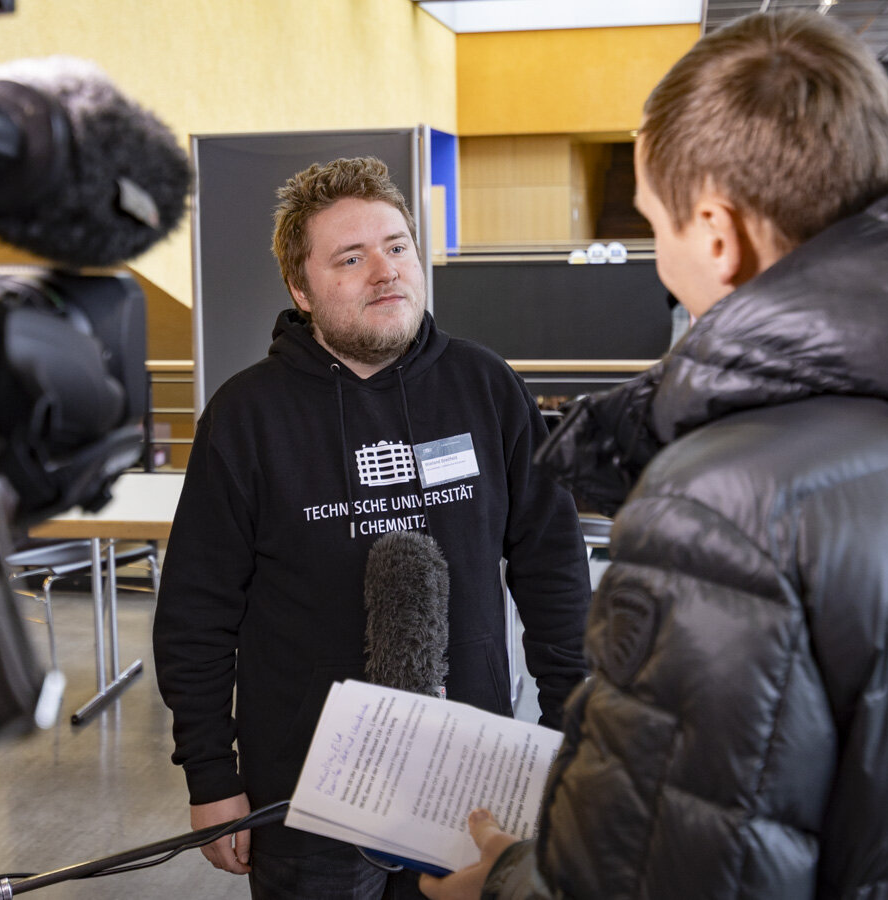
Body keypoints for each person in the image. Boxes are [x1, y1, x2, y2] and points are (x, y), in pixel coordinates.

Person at [423, 10, 888, 900]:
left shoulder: (727, 507)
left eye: (656, 224)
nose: (659, 260)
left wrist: (505, 882)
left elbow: (670, 876)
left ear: (716, 233)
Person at [153, 157, 591, 899]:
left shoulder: (487, 387)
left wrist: (569, 735)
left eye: (396, 247)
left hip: (467, 777)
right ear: (301, 290)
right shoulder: (246, 415)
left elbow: (554, 573)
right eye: (351, 258)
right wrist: (211, 772)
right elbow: (197, 609)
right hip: (302, 790)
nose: (386, 271)